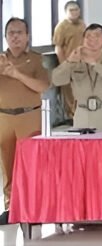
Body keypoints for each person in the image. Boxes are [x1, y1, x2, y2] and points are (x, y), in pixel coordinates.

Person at [0, 18, 49, 223]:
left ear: (28, 36)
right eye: (11, 32)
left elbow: (42, 86)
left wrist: (16, 74)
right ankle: (10, 207)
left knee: (31, 163)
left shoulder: (37, 60)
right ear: (5, 36)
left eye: (20, 32)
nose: (15, 37)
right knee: (7, 163)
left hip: (29, 116)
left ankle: (33, 206)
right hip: (4, 117)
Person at [52, 24, 102, 131]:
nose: (92, 39)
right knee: (82, 147)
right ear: (83, 40)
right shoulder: (75, 63)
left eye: (97, 36)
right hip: (82, 113)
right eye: (88, 36)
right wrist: (69, 62)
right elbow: (56, 80)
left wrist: (95, 64)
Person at [52, 0, 85, 119]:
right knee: (70, 92)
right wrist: (65, 65)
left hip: (83, 64)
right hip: (69, 63)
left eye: (76, 9)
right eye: (71, 10)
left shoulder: (82, 24)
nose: (74, 12)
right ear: (66, 12)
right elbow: (58, 47)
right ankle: (73, 117)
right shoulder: (61, 27)